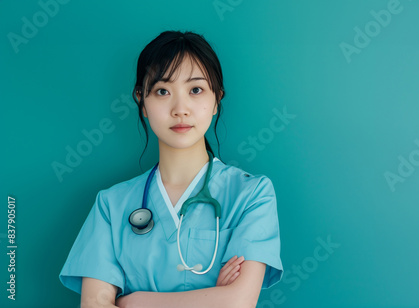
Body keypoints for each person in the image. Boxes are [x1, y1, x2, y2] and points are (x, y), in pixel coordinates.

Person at [59, 30, 283, 308]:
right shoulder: (111, 205)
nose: (180, 108)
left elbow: (238, 302)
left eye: (196, 90)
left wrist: (135, 301)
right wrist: (214, 298)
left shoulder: (251, 194)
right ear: (141, 100)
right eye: (162, 91)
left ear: (217, 100)